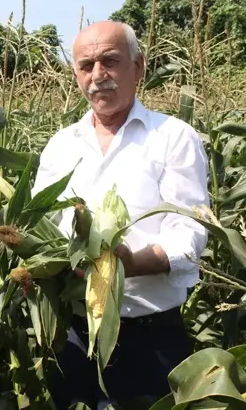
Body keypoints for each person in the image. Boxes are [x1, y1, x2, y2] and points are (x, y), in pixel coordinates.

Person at [31, 21, 209, 408]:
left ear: (138, 67)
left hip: (150, 335)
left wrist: (132, 262)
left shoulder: (174, 137)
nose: (98, 76)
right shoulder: (60, 146)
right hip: (74, 332)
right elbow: (43, 223)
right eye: (86, 65)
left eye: (110, 61)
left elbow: (190, 229)